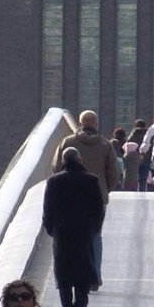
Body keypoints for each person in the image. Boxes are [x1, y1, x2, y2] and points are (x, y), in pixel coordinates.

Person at [54, 110, 117, 288]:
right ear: (95, 124)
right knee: (95, 236)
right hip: (97, 197)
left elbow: (56, 166)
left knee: (73, 236)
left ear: (81, 124)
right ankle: (94, 277)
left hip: (70, 198)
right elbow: (113, 172)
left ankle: (75, 276)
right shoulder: (105, 145)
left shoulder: (68, 142)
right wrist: (105, 190)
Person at [43, 147, 104, 307]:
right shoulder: (91, 180)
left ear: (63, 161)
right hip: (84, 231)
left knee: (63, 271)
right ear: (80, 160)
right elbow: (98, 209)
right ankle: (80, 306)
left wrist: (51, 228)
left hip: (61, 232)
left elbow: (48, 209)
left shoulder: (54, 181)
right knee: (83, 268)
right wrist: (94, 228)